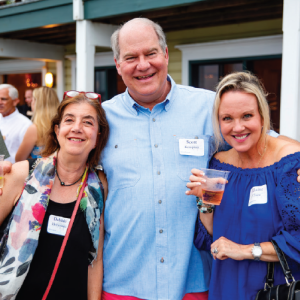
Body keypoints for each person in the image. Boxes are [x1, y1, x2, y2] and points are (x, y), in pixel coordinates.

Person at [100, 18, 296, 300]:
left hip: (194, 281)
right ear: (118, 64)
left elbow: (263, 138)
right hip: (125, 281)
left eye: (151, 53)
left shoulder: (209, 107)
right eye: (131, 57)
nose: (142, 65)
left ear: (165, 54)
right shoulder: (102, 120)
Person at [187, 72, 300, 300]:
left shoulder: (288, 164)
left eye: (247, 116)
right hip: (225, 286)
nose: (237, 127)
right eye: (227, 118)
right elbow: (210, 238)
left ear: (262, 116)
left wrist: (244, 250)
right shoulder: (218, 164)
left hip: (274, 291)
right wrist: (204, 202)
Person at [0, 92, 109, 300]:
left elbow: (95, 261)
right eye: (69, 120)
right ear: (57, 130)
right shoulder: (23, 174)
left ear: (98, 136)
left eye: (88, 122)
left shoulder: (99, 186)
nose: (77, 127)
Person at [15, 86, 60, 161]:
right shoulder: (63, 125)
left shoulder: (35, 129)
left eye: (33, 100)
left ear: (37, 103)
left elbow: (19, 159)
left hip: (39, 171)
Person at [0, 84, 32, 163]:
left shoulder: (25, 124)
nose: (0, 102)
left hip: (13, 171)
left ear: (15, 101)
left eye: (3, 99)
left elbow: (26, 158)